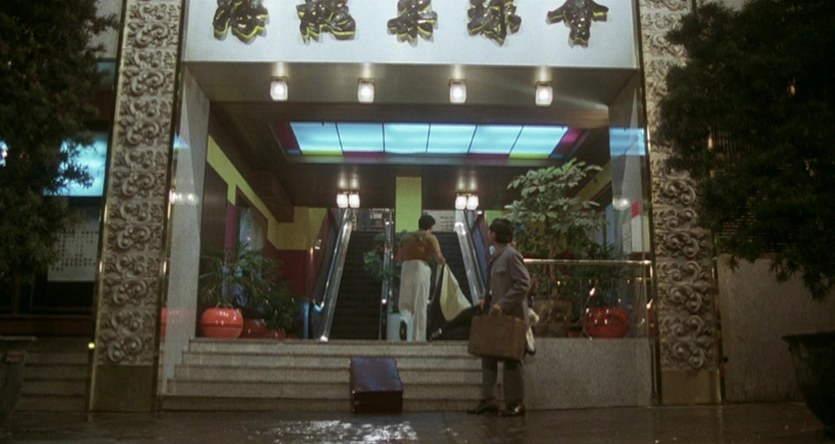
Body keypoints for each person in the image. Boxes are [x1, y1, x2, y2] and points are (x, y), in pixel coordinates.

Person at [467, 218, 531, 417]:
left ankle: (516, 402)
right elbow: (493, 285)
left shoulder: (511, 255)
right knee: (488, 356)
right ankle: (489, 399)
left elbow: (523, 283)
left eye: (490, 231)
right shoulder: (496, 256)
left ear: (494, 234)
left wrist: (502, 304)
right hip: (494, 317)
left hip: (511, 318)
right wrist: (485, 299)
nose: (487, 234)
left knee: (512, 359)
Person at [396, 214, 445, 341]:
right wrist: (443, 262)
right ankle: (418, 340)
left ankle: (404, 320)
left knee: (405, 302)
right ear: (430, 227)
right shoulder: (430, 237)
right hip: (421, 268)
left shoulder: (405, 237)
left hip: (406, 268)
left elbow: (398, 258)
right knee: (420, 305)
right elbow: (438, 257)